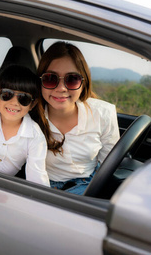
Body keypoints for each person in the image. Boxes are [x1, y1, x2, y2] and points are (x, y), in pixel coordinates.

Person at [30, 41, 120, 195]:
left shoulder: (103, 114)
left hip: (91, 184)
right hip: (44, 187)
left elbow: (110, 165)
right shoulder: (29, 116)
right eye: (51, 78)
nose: (61, 88)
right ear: (40, 82)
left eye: (72, 79)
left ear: (83, 83)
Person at [0, 65, 50, 186]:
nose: (14, 103)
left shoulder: (35, 137)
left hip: (1, 190)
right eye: (7, 94)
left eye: (23, 98)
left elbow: (37, 180)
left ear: (32, 104)